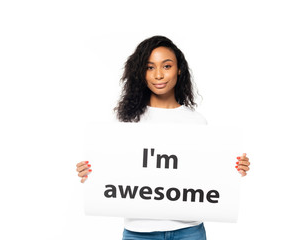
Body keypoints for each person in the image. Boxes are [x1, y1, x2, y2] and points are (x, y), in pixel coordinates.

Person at [75, 35, 251, 240]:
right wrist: (92, 170)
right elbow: (115, 170)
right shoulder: (126, 121)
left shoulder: (196, 122)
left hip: (189, 231)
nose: (158, 75)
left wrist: (232, 168)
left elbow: (202, 173)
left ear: (179, 69)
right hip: (139, 232)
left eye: (166, 66)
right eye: (150, 67)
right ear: (140, 73)